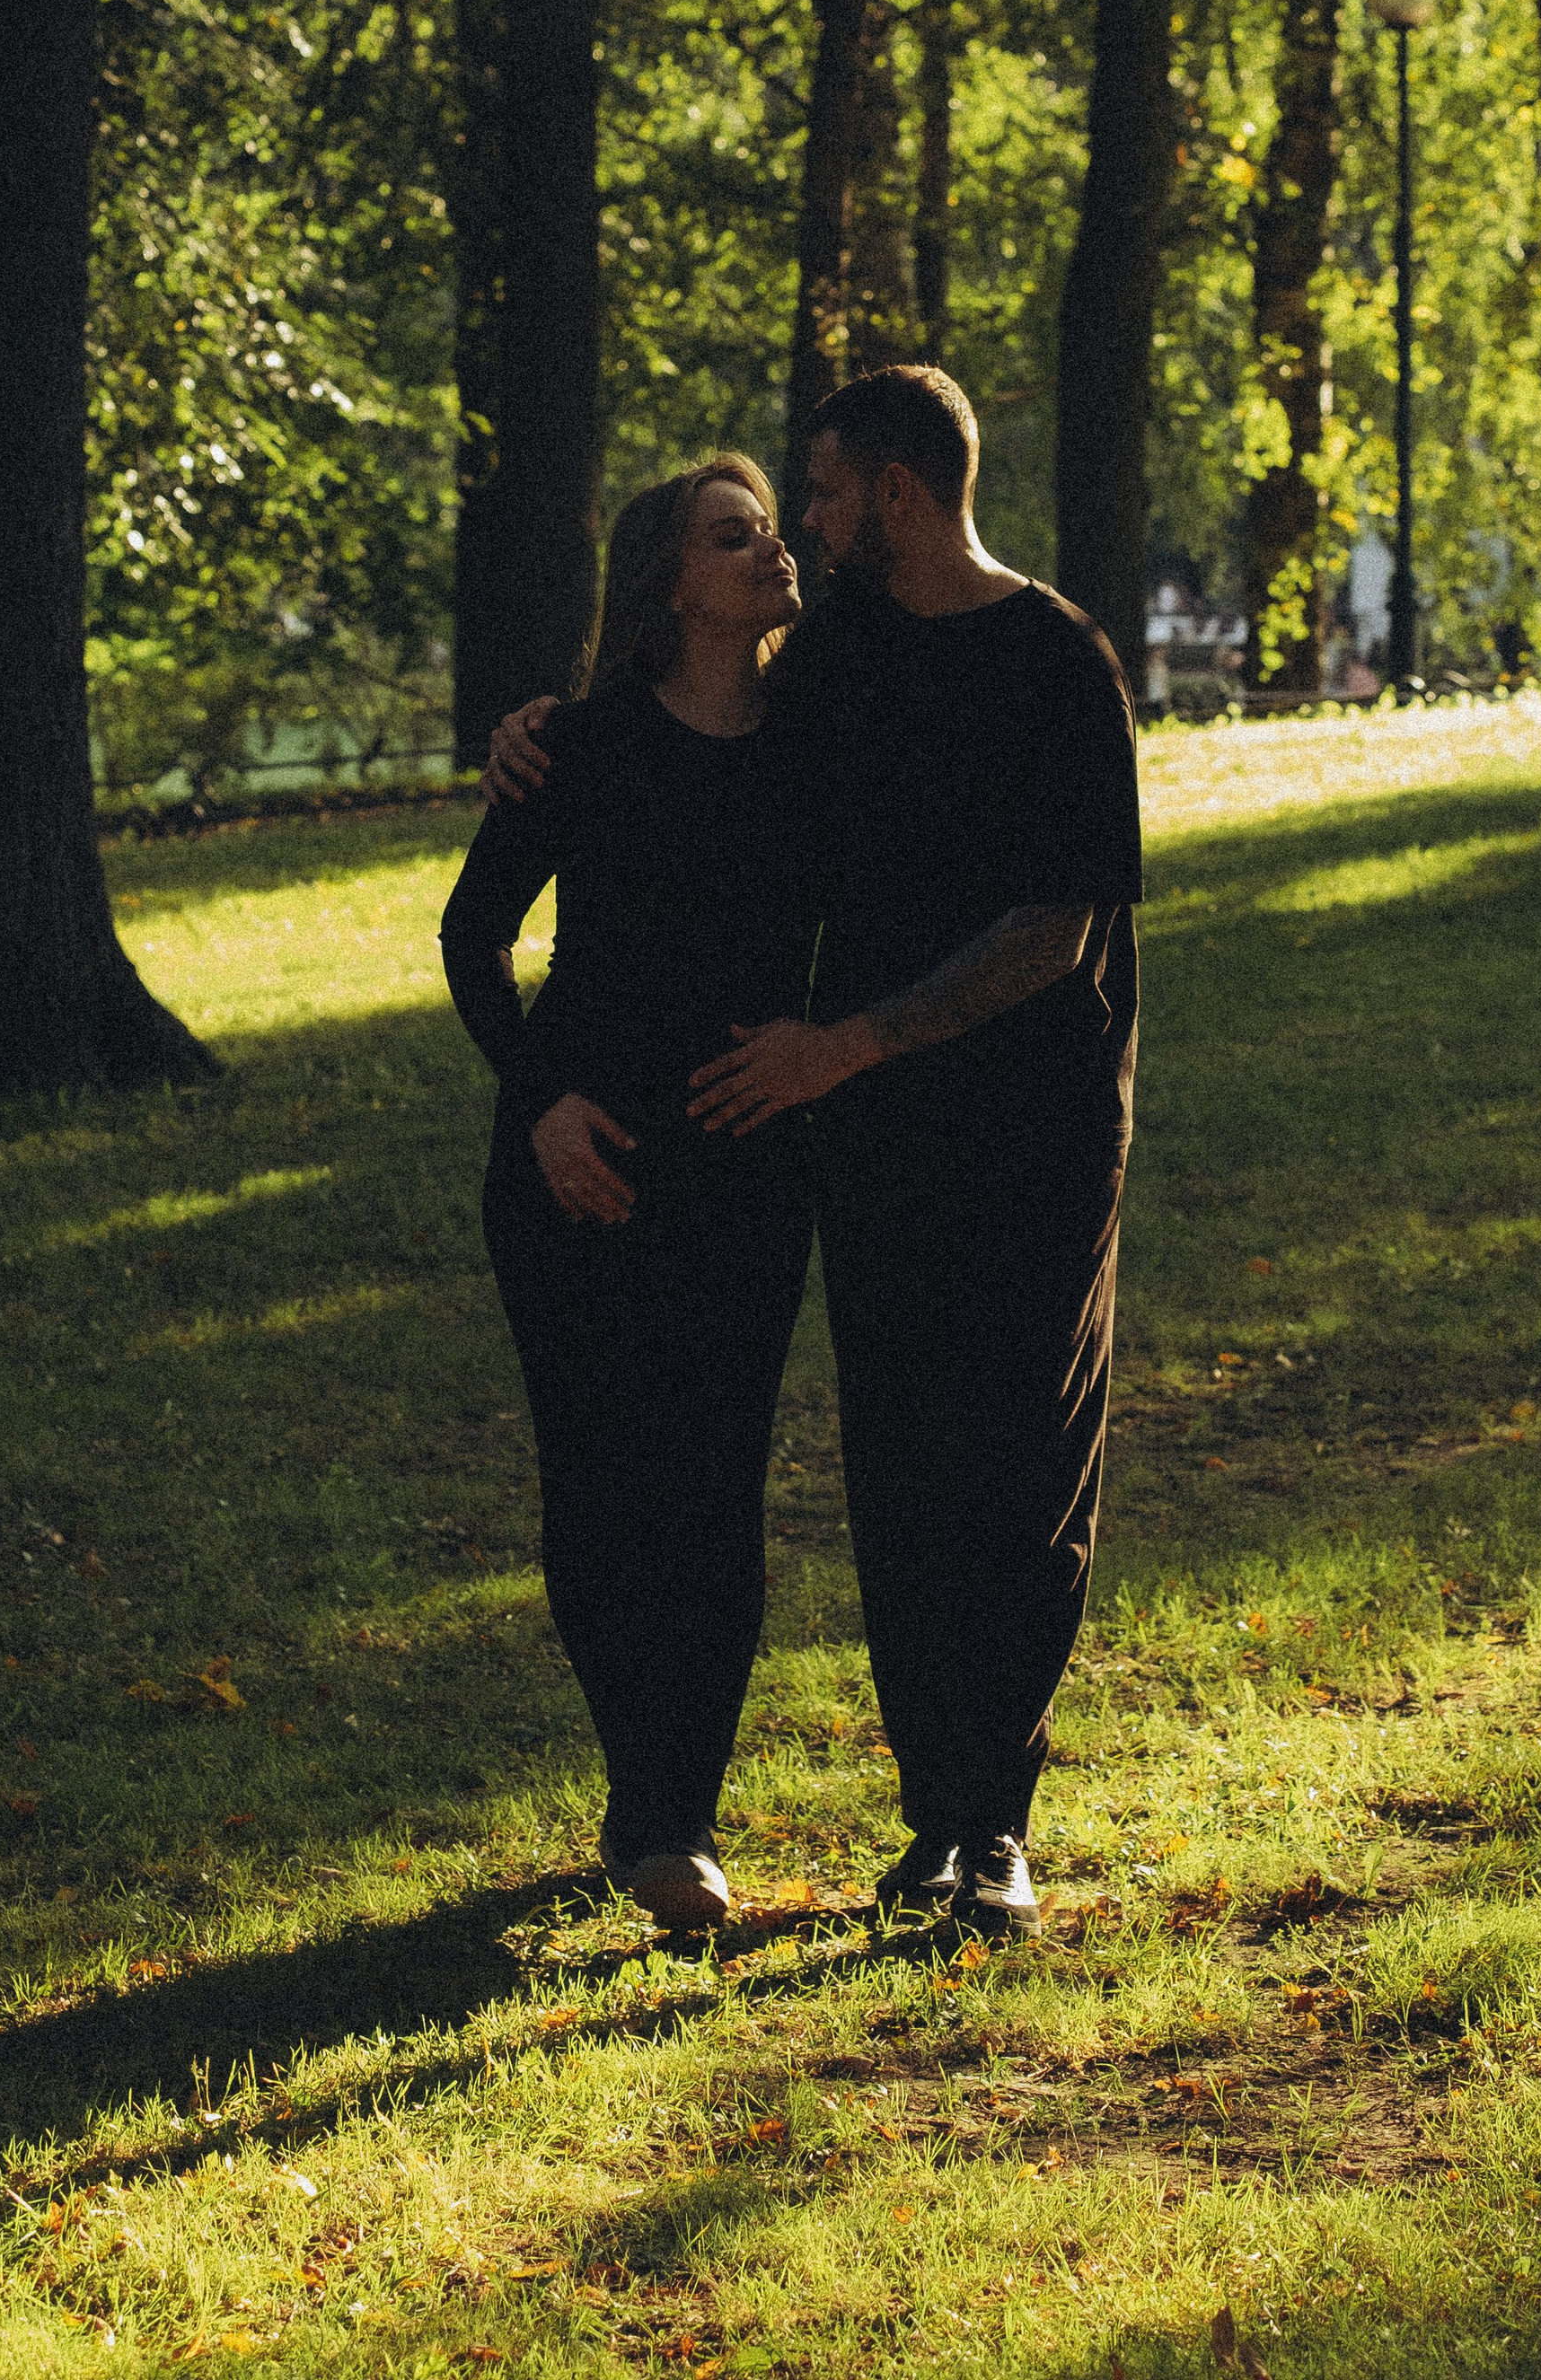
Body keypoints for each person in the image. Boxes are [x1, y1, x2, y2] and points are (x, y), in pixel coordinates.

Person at [488, 366, 1142, 1940]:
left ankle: (993, 1828)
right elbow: (684, 727)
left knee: (1017, 1468)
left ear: (900, 492)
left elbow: (1053, 930)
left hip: (1032, 1134)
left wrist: (841, 1045)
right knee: (901, 1469)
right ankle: (934, 1818)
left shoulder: (1058, 664)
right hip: (867, 1143)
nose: (811, 525)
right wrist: (543, 735)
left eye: (829, 494)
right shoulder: (835, 656)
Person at [439, 455, 816, 1930]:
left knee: (717, 1487)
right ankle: (639, 1786)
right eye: (738, 538)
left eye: (774, 527)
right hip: (576, 1165)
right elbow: (474, 941)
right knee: (600, 1483)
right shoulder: (578, 750)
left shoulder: (815, 738)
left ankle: (675, 1815)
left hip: (747, 1165)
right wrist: (539, 1109)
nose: (773, 551)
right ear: (671, 583)